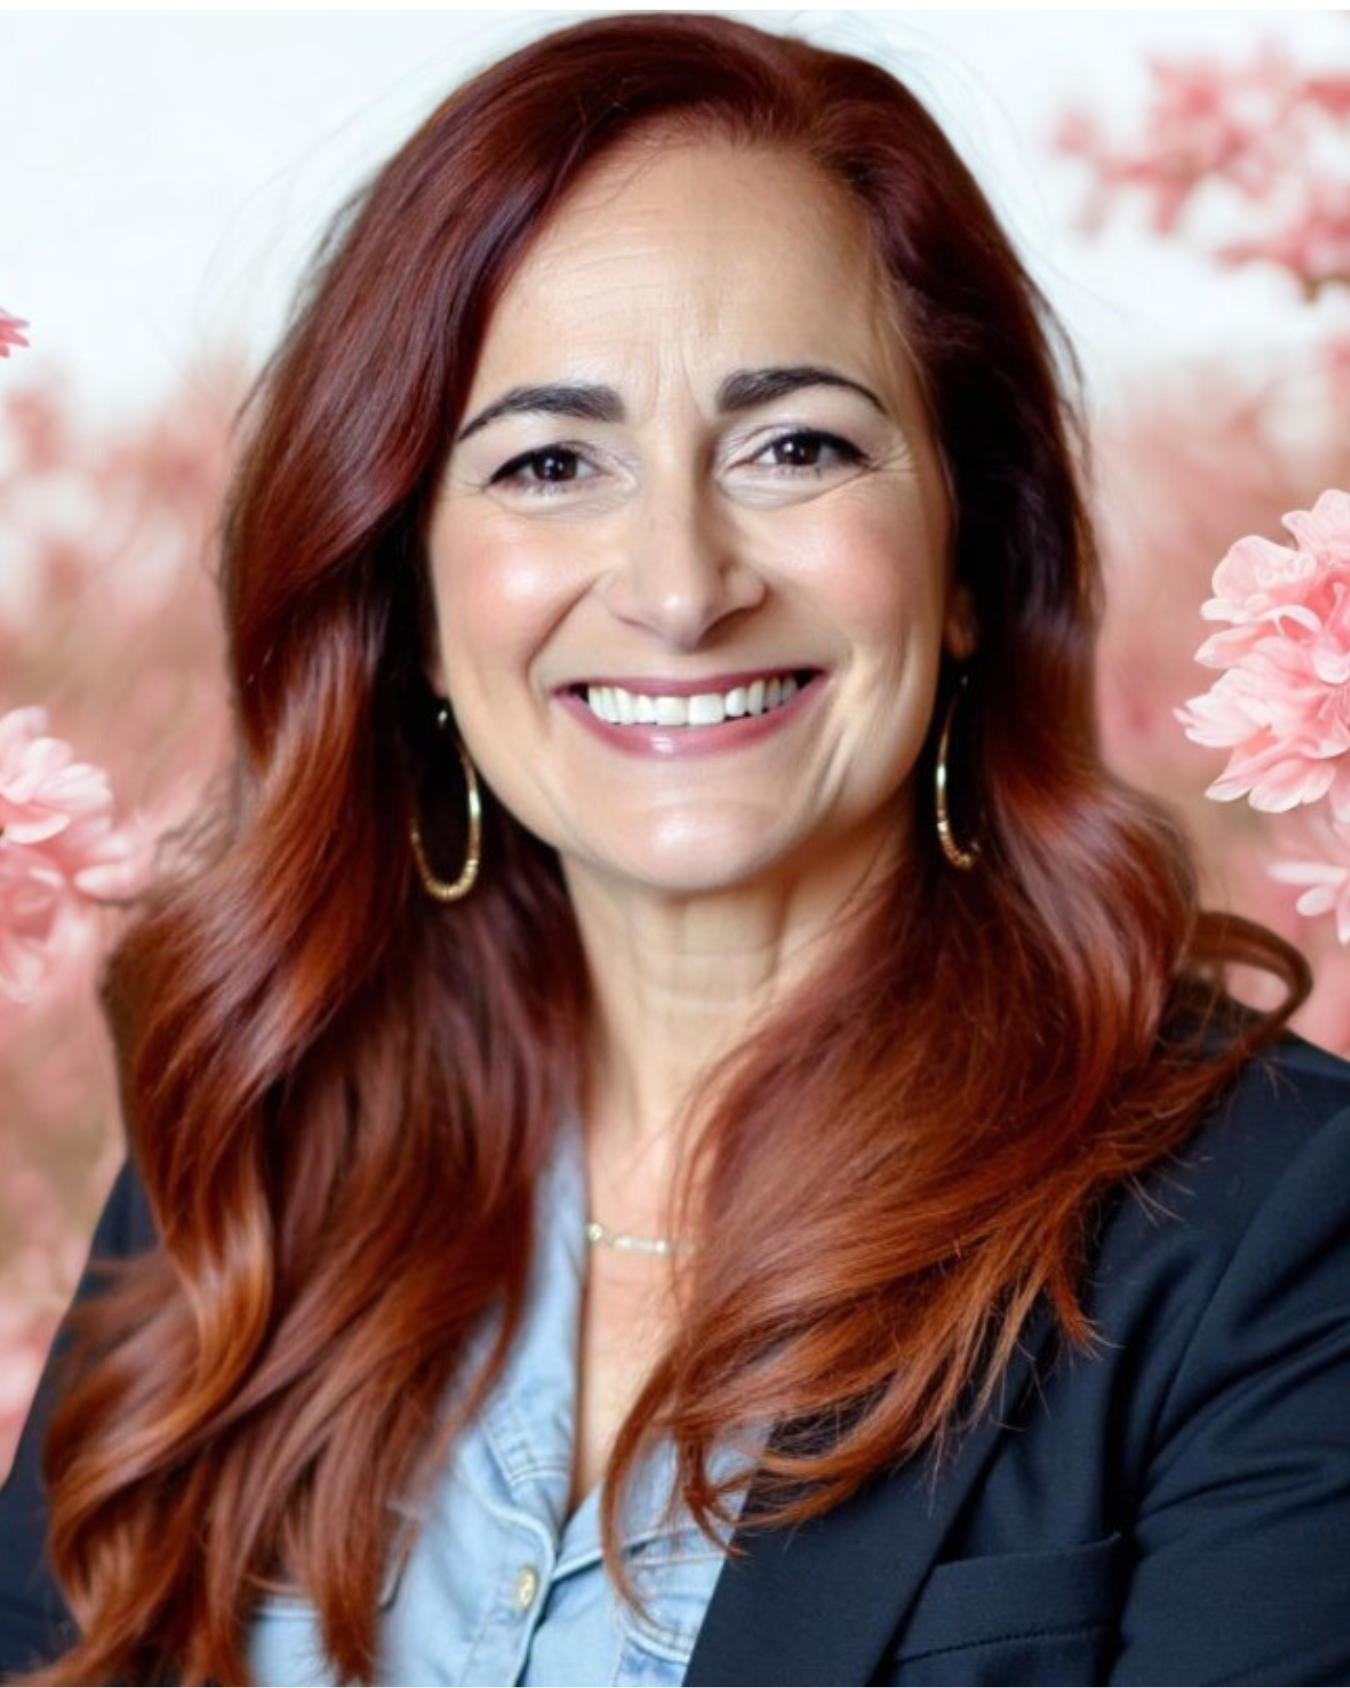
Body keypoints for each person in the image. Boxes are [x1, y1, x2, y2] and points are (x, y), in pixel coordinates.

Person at [3, 10, 1350, 1686]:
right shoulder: (259, 1139)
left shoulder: (1276, 1224)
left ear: (960, 560)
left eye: (796, 446)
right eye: (550, 461)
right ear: (414, 605)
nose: (677, 582)